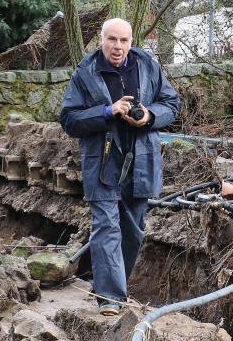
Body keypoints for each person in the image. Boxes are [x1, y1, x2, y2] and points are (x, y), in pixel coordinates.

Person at [59, 18, 179, 316]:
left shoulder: (148, 66)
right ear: (101, 40)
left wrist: (149, 116)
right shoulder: (85, 73)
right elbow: (70, 119)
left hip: (141, 160)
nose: (118, 46)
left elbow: (172, 105)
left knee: (133, 230)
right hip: (102, 161)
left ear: (131, 40)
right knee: (106, 227)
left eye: (124, 40)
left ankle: (114, 286)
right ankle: (111, 299)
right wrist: (108, 111)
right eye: (112, 39)